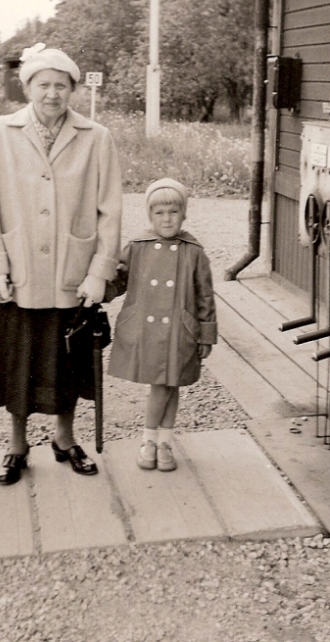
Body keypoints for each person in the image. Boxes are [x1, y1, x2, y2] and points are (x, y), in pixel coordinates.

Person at [0, 43, 122, 484]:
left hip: (72, 273)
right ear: (27, 88)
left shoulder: (97, 137)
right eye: (43, 84)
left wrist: (99, 273)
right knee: (19, 361)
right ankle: (16, 445)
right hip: (19, 272)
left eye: (61, 85)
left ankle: (64, 437)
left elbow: (109, 209)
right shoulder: (0, 132)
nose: (52, 93)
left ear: (73, 88)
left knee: (67, 361)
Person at [107, 178, 217, 472]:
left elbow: (205, 295)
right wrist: (101, 285)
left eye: (173, 212)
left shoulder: (193, 251)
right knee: (162, 383)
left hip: (180, 330)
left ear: (184, 214)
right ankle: (149, 440)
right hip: (148, 329)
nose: (167, 219)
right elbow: (117, 281)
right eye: (159, 213)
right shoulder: (138, 247)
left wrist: (205, 334)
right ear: (149, 215)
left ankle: (163, 441)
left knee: (173, 382)